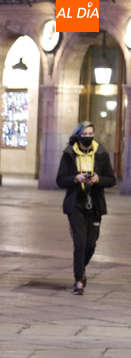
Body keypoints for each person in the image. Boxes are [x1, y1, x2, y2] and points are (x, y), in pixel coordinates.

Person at [56, 121, 116, 295]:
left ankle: (81, 269)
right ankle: (78, 280)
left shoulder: (101, 153)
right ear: (78, 135)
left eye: (91, 134)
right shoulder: (69, 154)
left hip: (95, 204)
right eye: (85, 134)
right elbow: (60, 180)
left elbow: (111, 179)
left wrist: (98, 180)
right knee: (80, 242)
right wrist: (76, 178)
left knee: (91, 244)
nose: (88, 137)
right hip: (75, 203)